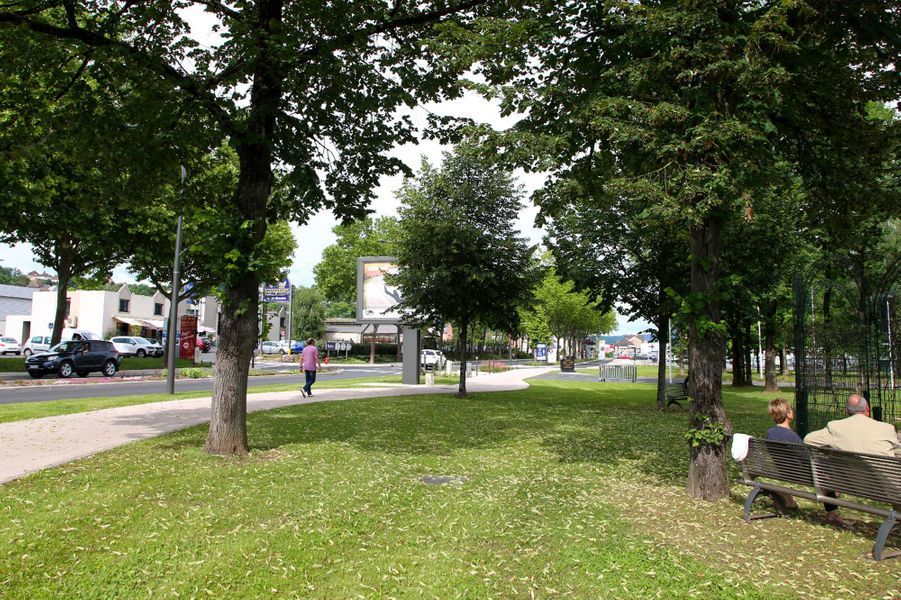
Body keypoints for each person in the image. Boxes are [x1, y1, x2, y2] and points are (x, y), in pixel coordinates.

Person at [803, 394, 901, 528]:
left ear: (847, 411)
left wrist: (832, 451)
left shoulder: (835, 428)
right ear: (868, 409)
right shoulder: (886, 428)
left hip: (853, 483)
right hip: (887, 487)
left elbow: (808, 440)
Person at [764, 398, 801, 509]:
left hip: (782, 470)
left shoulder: (770, 433)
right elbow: (807, 457)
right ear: (788, 413)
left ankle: (786, 497)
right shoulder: (792, 436)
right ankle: (832, 512)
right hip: (799, 474)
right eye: (791, 410)